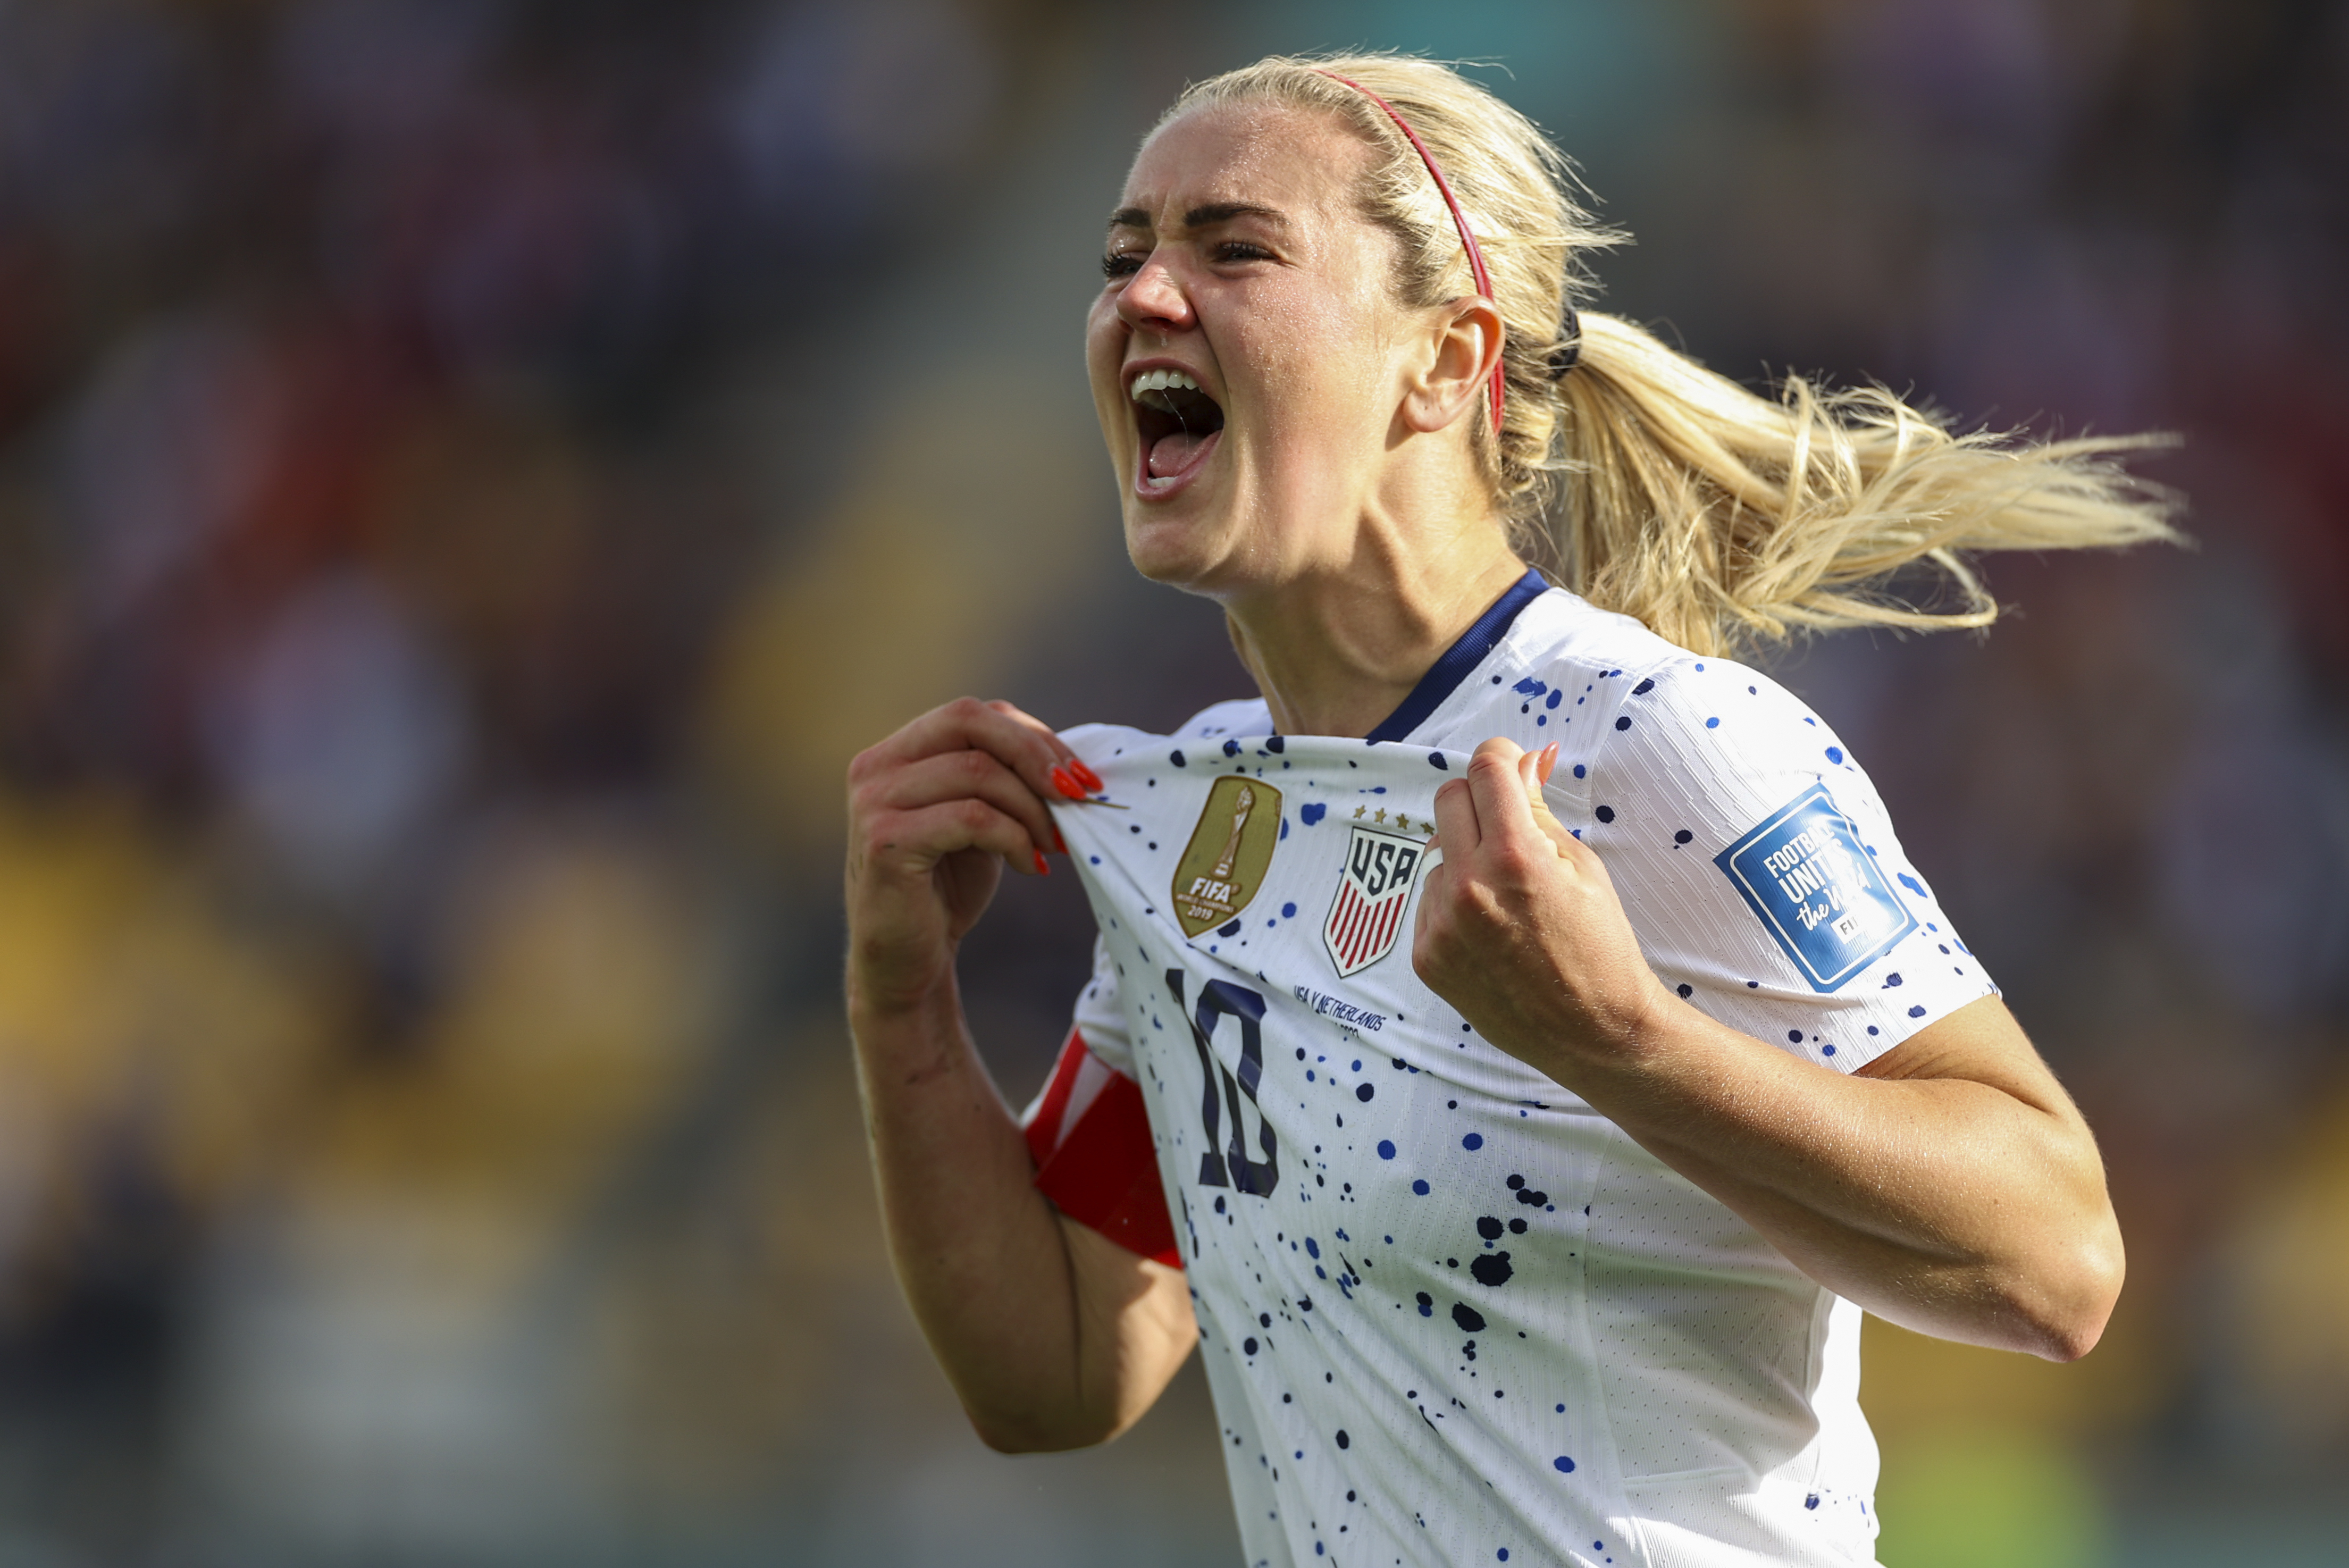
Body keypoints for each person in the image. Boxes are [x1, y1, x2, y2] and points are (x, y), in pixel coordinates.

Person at [843, 53, 2171, 1567]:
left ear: (1441, 360)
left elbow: (2057, 1260)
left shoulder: (1659, 741)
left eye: (1233, 247)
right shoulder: (1199, 829)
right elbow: (1062, 1368)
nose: (1145, 294)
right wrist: (903, 1009)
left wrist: (1618, 1038)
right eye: (1123, 255)